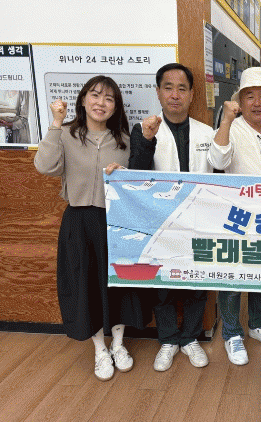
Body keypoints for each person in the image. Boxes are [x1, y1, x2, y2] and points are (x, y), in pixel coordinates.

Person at [34, 75, 149, 381]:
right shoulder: (66, 134)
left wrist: (123, 173)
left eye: (109, 98)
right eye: (95, 95)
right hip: (80, 221)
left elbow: (139, 181)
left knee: (118, 285)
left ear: (116, 106)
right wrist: (55, 123)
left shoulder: (124, 139)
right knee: (86, 285)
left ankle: (119, 344)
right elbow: (45, 166)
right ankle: (100, 349)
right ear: (83, 99)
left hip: (117, 221)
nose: (101, 103)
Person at [128, 63, 213, 371]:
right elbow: (136, 175)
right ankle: (167, 340)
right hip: (159, 221)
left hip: (197, 221)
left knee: (196, 283)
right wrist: (147, 140)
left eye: (181, 89)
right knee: (161, 284)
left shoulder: (207, 133)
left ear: (191, 94)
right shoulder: (144, 129)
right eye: (168, 88)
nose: (175, 95)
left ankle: (190, 338)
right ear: (158, 92)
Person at [208, 67, 261, 365]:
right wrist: (226, 121)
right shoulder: (232, 128)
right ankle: (231, 333)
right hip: (236, 216)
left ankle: (257, 325)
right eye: (249, 96)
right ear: (240, 101)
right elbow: (217, 159)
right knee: (232, 275)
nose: (257, 102)